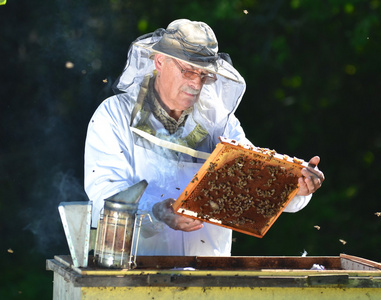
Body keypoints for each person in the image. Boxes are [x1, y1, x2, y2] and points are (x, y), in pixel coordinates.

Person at [84, 19, 324, 256]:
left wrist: (296, 186)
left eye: (204, 74)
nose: (196, 83)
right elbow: (103, 196)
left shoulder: (221, 123)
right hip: (137, 273)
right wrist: (155, 214)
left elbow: (255, 182)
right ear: (159, 61)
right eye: (188, 71)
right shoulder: (114, 115)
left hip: (208, 275)